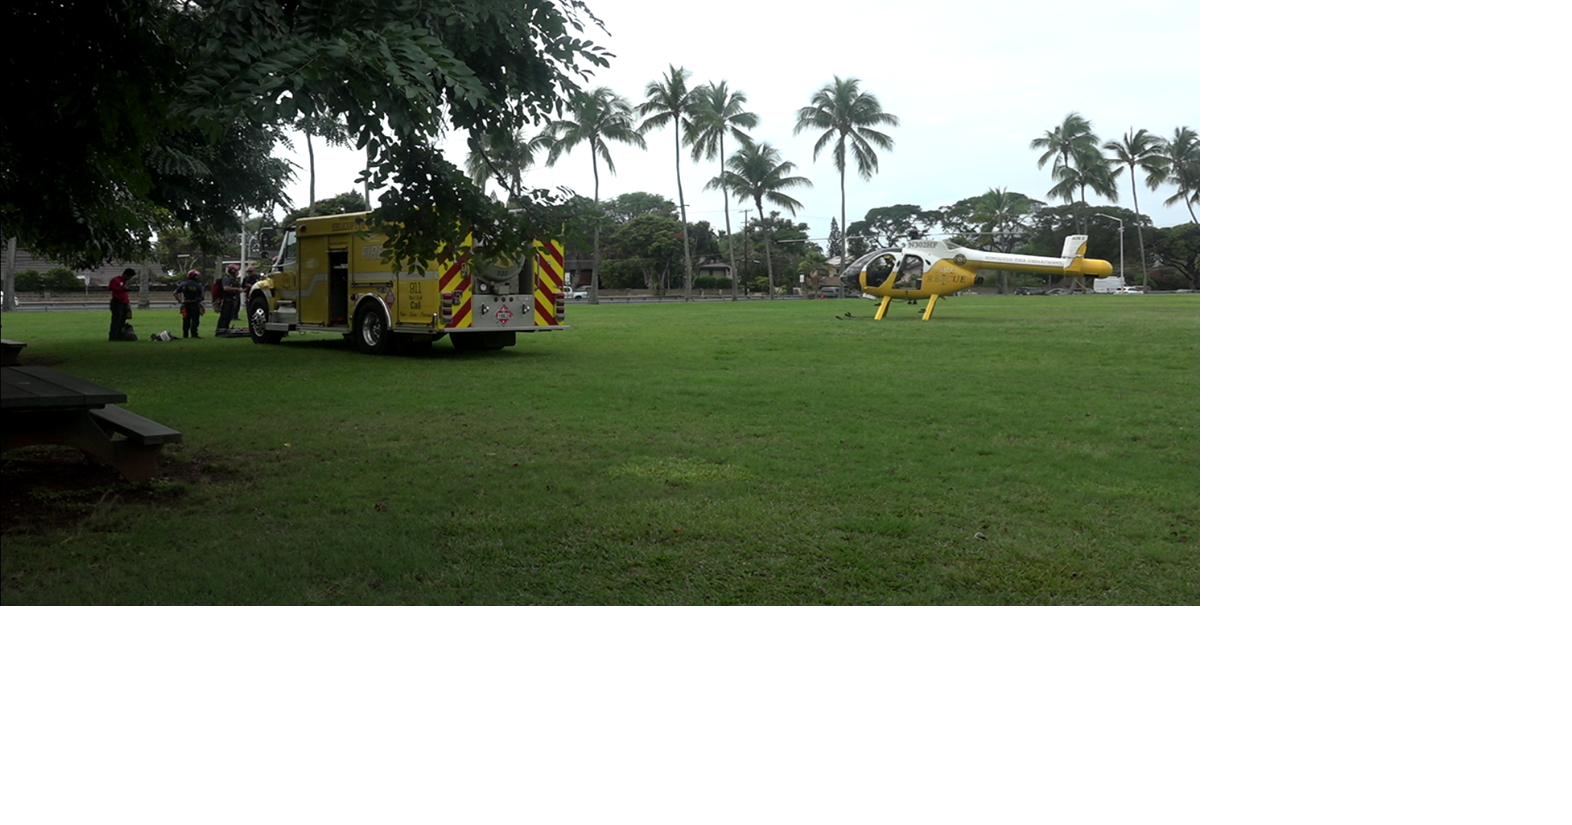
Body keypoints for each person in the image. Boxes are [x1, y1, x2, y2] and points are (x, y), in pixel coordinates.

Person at [108, 267, 134, 341]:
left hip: (124, 302)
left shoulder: (126, 282)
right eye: (129, 277)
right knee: (116, 320)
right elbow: (110, 288)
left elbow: (125, 294)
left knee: (122, 320)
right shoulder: (116, 280)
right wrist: (121, 288)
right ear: (125, 275)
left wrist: (127, 302)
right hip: (117, 301)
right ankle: (113, 337)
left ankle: (119, 336)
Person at [178, 269, 205, 338]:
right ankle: (194, 334)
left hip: (186, 304)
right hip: (195, 304)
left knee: (186, 320)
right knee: (195, 320)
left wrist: (180, 301)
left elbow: (175, 293)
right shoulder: (199, 286)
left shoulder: (184, 285)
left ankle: (185, 334)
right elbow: (202, 296)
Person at [217, 264, 242, 335]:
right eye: (236, 271)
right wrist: (237, 289)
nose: (238, 273)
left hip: (232, 300)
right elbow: (225, 288)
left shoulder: (235, 280)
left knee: (229, 316)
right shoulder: (226, 279)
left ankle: (225, 329)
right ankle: (220, 330)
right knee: (224, 316)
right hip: (226, 300)